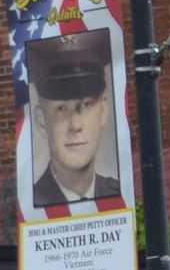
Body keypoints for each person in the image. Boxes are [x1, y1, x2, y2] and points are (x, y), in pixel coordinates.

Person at [23, 28, 122, 207]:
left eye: (86, 105)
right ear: (41, 121)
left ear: (104, 109)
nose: (75, 125)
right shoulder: (34, 202)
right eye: (61, 108)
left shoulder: (116, 192)